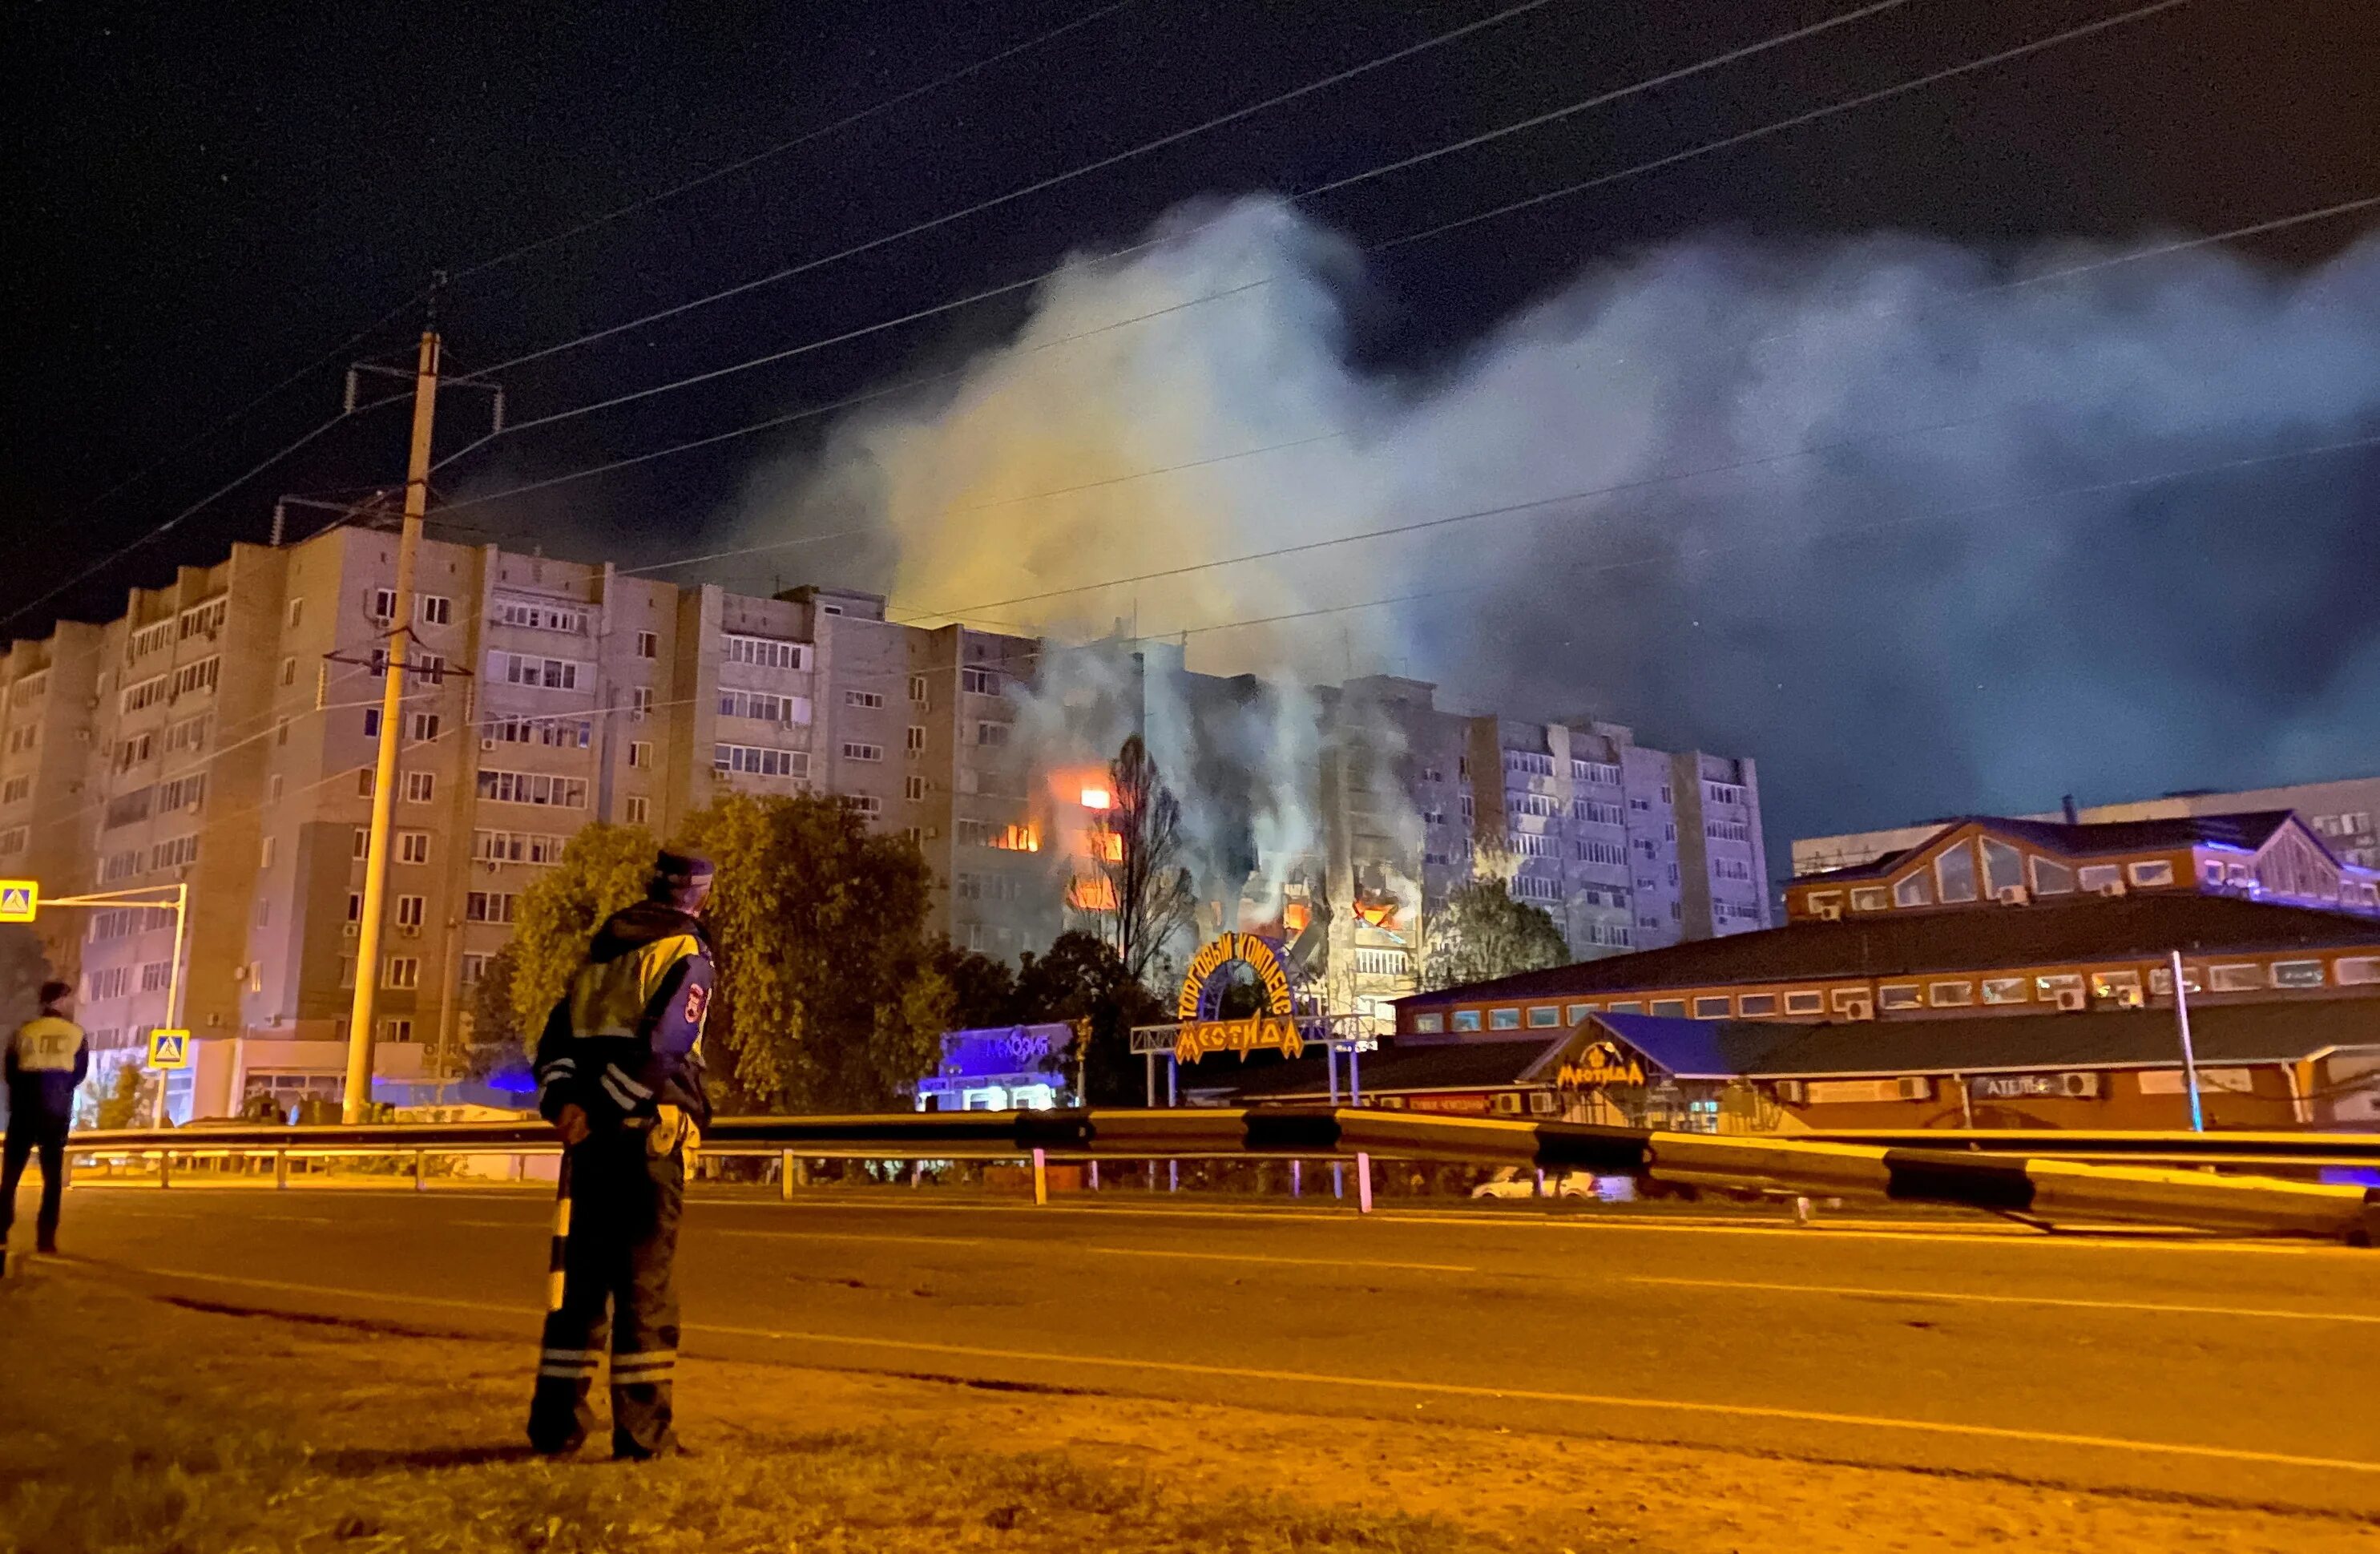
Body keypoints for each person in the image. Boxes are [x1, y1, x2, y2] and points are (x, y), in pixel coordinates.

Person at [527, 849, 716, 1459]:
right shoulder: (686, 952)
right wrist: (610, 1109)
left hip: (589, 1142)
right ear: (700, 896)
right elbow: (667, 1044)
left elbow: (556, 1036)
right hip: (646, 1137)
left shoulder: (601, 949)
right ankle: (643, 1433)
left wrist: (566, 1105)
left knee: (579, 1287)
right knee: (645, 1289)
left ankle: (556, 1426)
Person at [4, 981, 90, 1266]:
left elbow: (10, 1072)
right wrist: (59, 1090)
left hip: (24, 1110)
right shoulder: (76, 1034)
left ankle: (1, 1231)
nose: (73, 1004)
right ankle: (45, 1239)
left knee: (10, 1177)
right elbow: (79, 1074)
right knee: (52, 1179)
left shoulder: (24, 1033)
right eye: (70, 999)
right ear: (61, 1001)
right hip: (55, 1111)